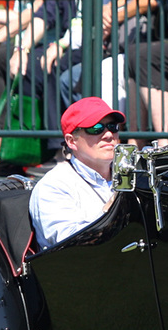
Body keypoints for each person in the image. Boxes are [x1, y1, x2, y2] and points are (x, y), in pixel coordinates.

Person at [28, 97, 122, 251]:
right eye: (96, 128)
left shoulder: (130, 175)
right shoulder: (54, 185)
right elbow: (69, 244)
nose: (108, 135)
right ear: (71, 141)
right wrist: (115, 207)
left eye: (113, 126)